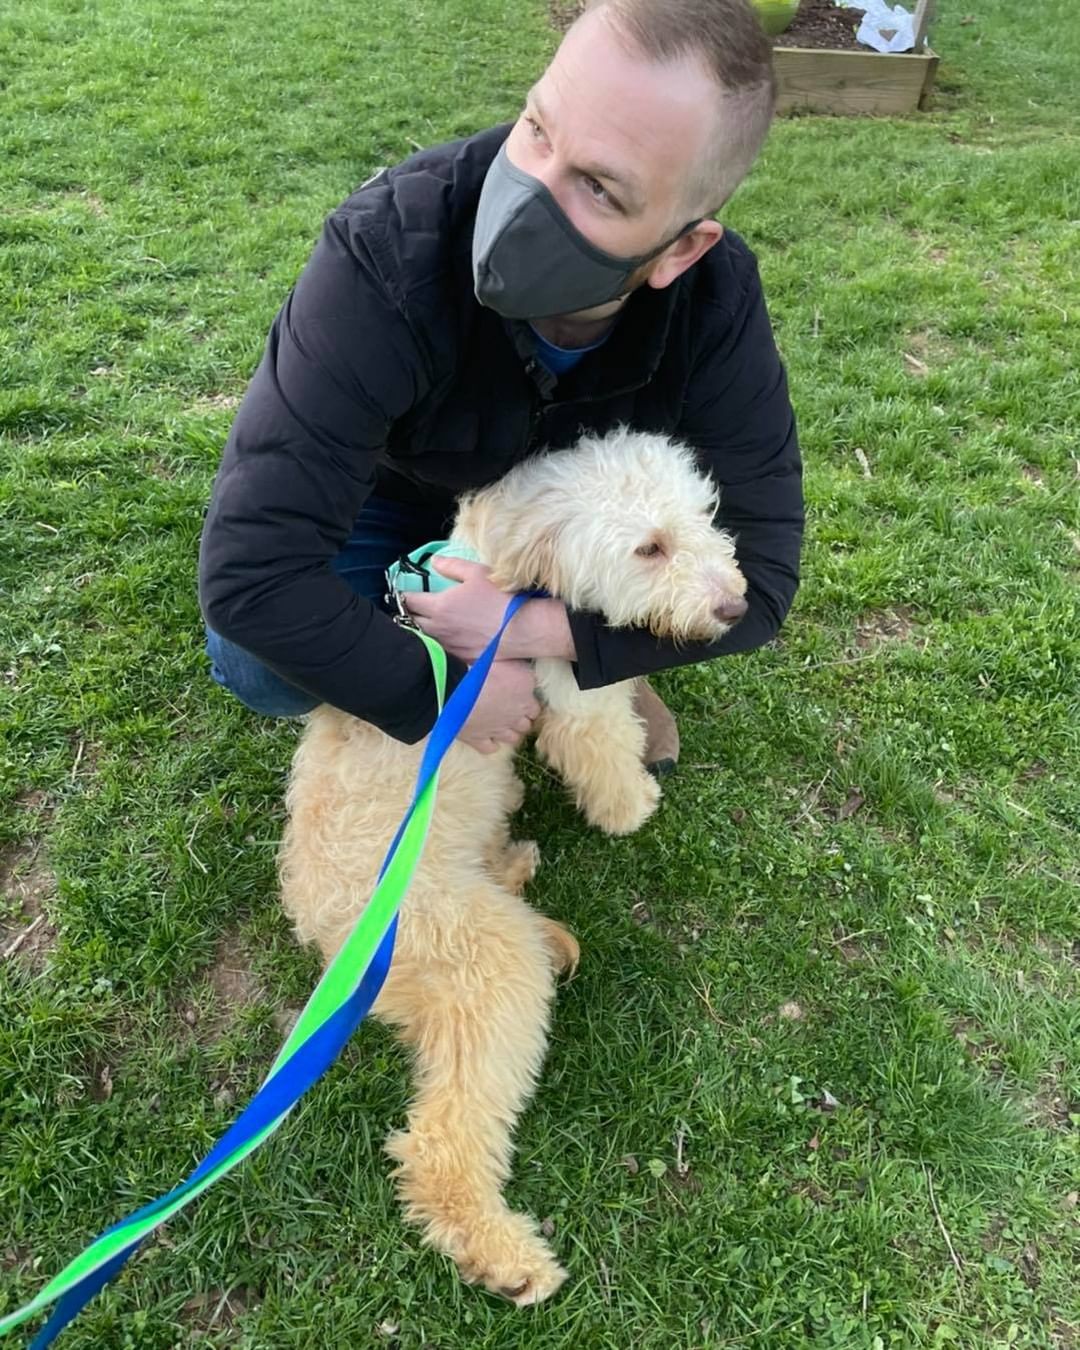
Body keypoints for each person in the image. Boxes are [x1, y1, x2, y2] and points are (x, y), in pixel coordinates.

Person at [199, 0, 804, 770]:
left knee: (635, 603)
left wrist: (540, 634)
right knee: (258, 669)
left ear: (680, 250)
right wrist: (437, 691)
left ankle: (591, 664)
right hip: (396, 496)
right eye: (539, 128)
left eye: (600, 189)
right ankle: (527, 659)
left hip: (585, 539)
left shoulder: (716, 302)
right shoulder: (385, 251)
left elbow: (767, 574)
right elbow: (253, 574)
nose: (529, 193)